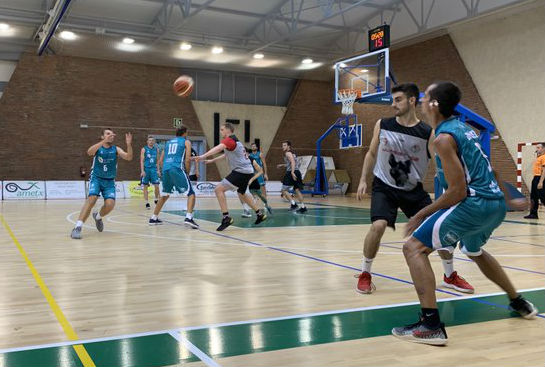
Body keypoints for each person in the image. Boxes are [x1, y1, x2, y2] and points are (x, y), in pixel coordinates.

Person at [392, 81, 537, 346]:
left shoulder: (444, 138)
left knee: (413, 247)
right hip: (493, 205)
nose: (422, 101)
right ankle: (518, 302)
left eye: (426, 97)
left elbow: (457, 192)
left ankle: (431, 325)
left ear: (434, 104)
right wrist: (507, 200)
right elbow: (490, 170)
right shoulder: (464, 130)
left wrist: (422, 213)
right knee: (474, 251)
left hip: (474, 204)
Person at [355, 83, 473, 294]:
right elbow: (371, 154)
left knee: (440, 228)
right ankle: (365, 272)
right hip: (384, 186)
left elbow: (440, 161)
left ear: (411, 101)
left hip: (413, 190)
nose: (393, 104)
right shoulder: (383, 124)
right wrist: (363, 179)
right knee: (379, 226)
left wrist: (447, 180)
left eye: (398, 99)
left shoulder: (427, 132)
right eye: (393, 100)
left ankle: (450, 275)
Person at [195, 123, 267, 231]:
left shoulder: (229, 140)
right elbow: (225, 154)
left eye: (222, 129)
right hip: (247, 171)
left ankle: (226, 217)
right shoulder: (234, 142)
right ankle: (259, 214)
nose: (221, 131)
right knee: (242, 193)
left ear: (228, 130)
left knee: (218, 189)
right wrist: (212, 160)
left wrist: (202, 156)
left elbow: (218, 148)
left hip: (241, 172)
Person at [70, 129, 133, 239]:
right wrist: (103, 141)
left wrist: (128, 144)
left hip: (109, 181)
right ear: (102, 136)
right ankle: (77, 227)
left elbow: (128, 157)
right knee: (92, 199)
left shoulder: (116, 149)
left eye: (112, 134)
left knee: (110, 205)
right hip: (96, 178)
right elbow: (89, 152)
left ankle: (98, 217)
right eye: (108, 134)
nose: (111, 135)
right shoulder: (98, 148)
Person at [150, 126, 199, 228]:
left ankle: (153, 218)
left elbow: (160, 161)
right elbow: (187, 159)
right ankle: (189, 218)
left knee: (165, 195)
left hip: (166, 169)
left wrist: (165, 170)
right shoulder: (186, 142)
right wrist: (187, 172)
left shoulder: (168, 143)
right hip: (177, 168)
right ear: (185, 133)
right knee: (191, 194)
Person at [277, 141, 307, 213]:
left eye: (284, 145)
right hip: (297, 172)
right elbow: (291, 163)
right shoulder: (293, 153)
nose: (283, 147)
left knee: (283, 190)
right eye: (282, 145)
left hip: (291, 173)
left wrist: (292, 172)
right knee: (297, 190)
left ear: (288, 146)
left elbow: (293, 162)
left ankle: (294, 204)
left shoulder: (287, 153)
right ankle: (303, 207)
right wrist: (282, 165)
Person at [524, 142, 545, 219]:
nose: (537, 149)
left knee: (543, 197)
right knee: (533, 197)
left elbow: (544, 170)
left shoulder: (544, 157)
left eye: (538, 148)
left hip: (540, 178)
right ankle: (533, 214)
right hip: (535, 178)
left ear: (543, 148)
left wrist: (541, 182)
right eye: (536, 148)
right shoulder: (539, 157)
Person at [249, 142, 272, 214]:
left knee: (263, 190)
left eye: (254, 146)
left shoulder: (260, 154)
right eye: (252, 146)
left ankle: (266, 204)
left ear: (256, 147)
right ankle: (255, 202)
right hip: (253, 174)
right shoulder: (250, 155)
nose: (253, 147)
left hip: (260, 173)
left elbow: (264, 164)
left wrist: (266, 174)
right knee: (252, 189)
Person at [140, 136, 161, 209]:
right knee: (145, 186)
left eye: (152, 140)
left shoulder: (156, 150)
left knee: (157, 186)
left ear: (154, 142)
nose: (151, 141)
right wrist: (142, 171)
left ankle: (156, 199)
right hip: (146, 169)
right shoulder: (144, 149)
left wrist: (158, 170)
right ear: (147, 141)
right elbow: (142, 161)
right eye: (150, 140)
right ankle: (147, 203)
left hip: (154, 170)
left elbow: (158, 161)